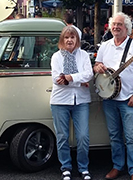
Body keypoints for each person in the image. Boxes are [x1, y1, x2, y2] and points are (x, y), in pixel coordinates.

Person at [94, 12, 133, 180]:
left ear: (127, 28)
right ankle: (118, 166)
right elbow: (96, 66)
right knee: (115, 136)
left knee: (131, 137)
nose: (116, 27)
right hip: (109, 99)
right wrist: (98, 67)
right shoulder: (105, 46)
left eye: (120, 24)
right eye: (114, 24)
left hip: (128, 99)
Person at [50, 26, 94, 180]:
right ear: (62, 40)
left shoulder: (83, 56)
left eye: (73, 37)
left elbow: (89, 74)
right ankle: (66, 167)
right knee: (62, 136)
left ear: (77, 40)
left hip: (81, 101)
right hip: (60, 101)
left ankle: (83, 167)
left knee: (83, 136)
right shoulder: (56, 57)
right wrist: (79, 81)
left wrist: (70, 78)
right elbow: (57, 80)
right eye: (67, 37)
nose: (69, 40)